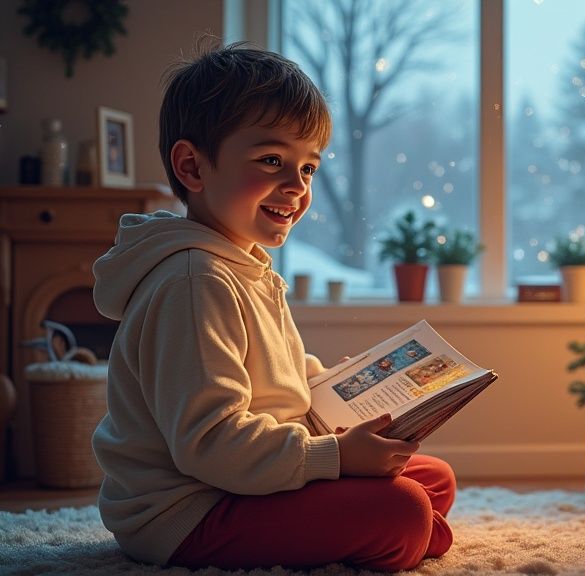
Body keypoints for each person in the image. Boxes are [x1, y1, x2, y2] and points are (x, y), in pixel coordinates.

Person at [91, 41, 455, 572]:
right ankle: (409, 532)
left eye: (308, 168)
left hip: (242, 481)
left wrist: (349, 390)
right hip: (190, 510)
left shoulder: (245, 264)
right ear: (193, 167)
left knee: (432, 477)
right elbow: (211, 443)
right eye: (271, 160)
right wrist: (335, 458)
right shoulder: (196, 281)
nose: (296, 187)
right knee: (402, 510)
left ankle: (408, 526)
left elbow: (280, 380)